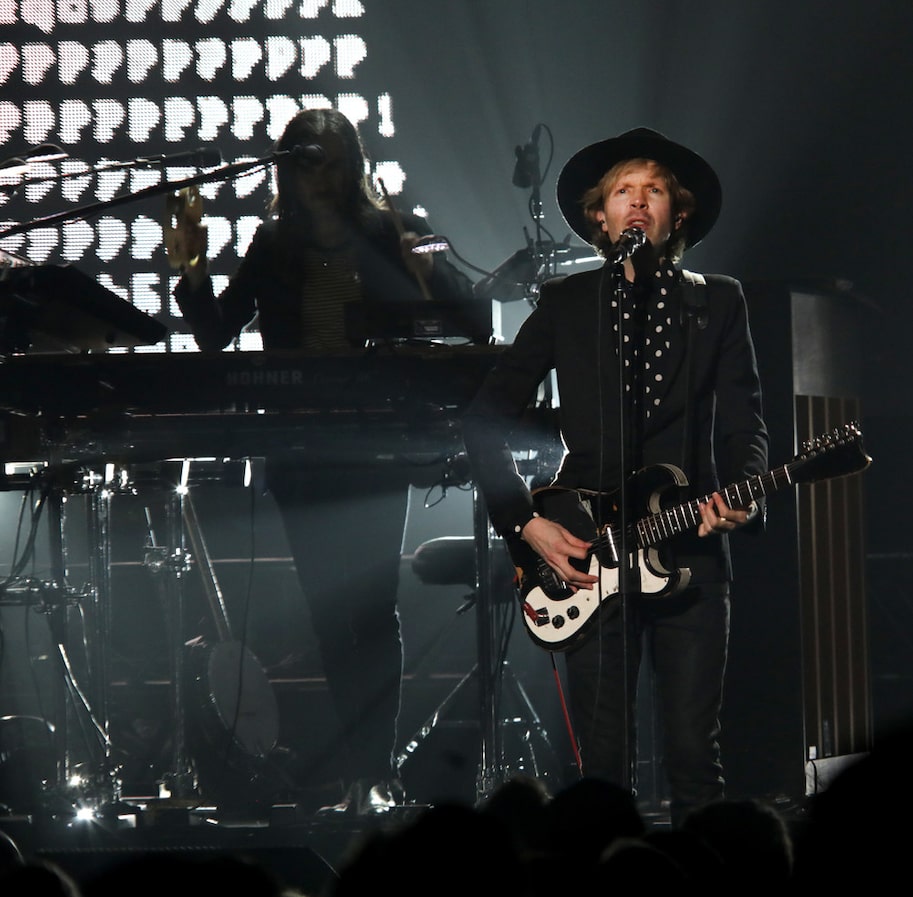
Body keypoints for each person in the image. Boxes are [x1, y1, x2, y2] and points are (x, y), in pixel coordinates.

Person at [461, 127, 769, 828]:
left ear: (676, 213)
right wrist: (525, 524)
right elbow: (483, 421)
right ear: (598, 216)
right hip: (586, 556)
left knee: (695, 753)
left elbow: (744, 422)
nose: (637, 203)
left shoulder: (716, 301)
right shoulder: (566, 305)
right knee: (602, 764)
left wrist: (742, 494)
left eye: (652, 190)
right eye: (622, 192)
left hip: (687, 544)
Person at [170, 107, 473, 813]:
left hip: (370, 444)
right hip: (302, 448)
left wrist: (434, 266)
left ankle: (374, 771)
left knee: (373, 610)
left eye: (330, 158)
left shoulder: (385, 232)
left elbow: (450, 312)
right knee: (328, 616)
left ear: (352, 165)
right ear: (285, 166)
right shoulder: (272, 243)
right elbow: (216, 336)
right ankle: (362, 772)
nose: (317, 173)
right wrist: (187, 264)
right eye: (305, 159)